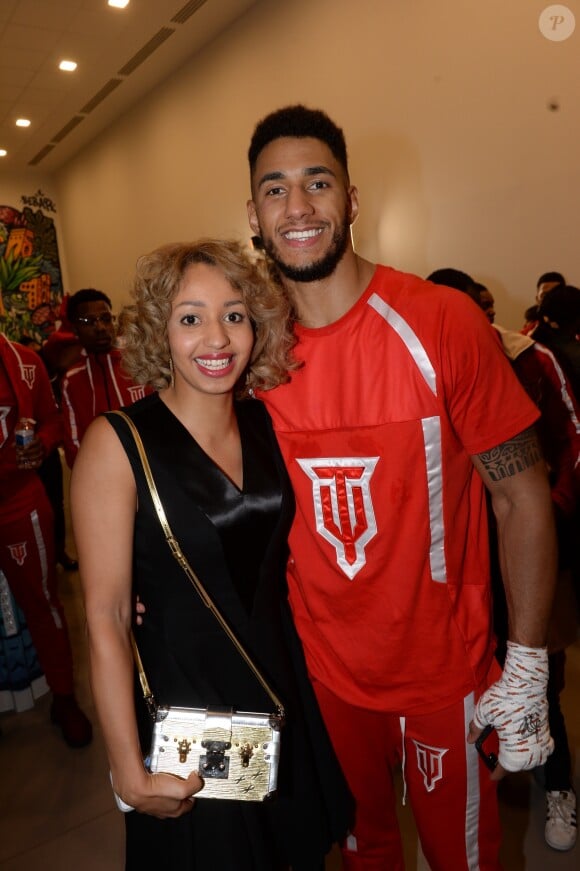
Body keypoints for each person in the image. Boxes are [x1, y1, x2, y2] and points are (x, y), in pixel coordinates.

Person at [244, 105, 558, 871]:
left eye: (318, 182)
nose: (299, 206)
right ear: (252, 214)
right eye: (275, 189)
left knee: (464, 860)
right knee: (364, 854)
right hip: (324, 677)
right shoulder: (246, 352)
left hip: (443, 675)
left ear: (351, 200)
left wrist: (527, 660)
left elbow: (523, 495)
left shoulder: (442, 323)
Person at [71, 240, 352, 871]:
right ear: (157, 330)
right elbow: (107, 617)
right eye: (190, 317)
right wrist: (125, 768)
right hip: (193, 703)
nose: (216, 338)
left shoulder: (268, 424)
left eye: (234, 314)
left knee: (292, 849)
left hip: (280, 679)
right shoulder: (117, 443)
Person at [0, 333, 92, 746]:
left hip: (20, 501)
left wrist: (43, 444)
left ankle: (64, 698)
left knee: (44, 604)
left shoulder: (23, 361)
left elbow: (51, 420)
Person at [60, 288, 149, 466]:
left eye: (106, 319)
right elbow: (73, 445)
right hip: (102, 478)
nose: (100, 328)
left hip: (151, 469)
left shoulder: (141, 364)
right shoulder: (72, 380)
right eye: (89, 321)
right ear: (75, 330)